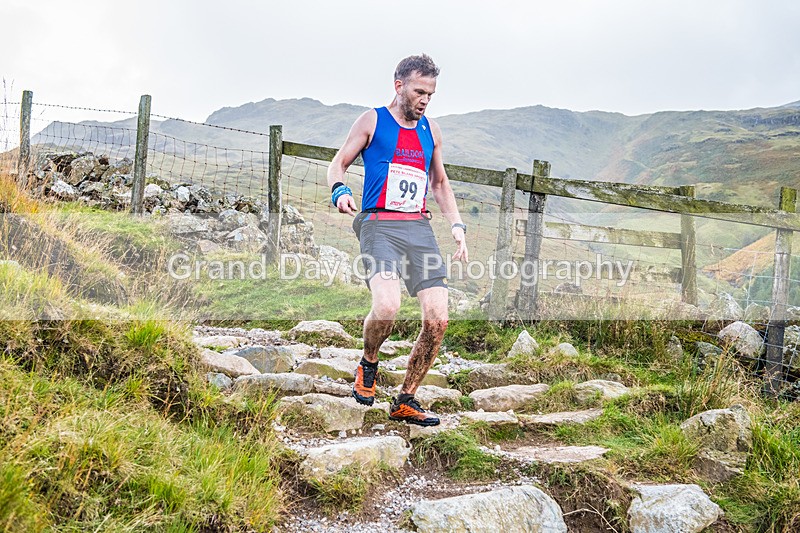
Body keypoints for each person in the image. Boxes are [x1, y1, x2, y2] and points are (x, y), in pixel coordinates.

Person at [327, 54, 468, 427]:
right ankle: (369, 363)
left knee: (438, 319)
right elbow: (337, 163)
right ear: (399, 85)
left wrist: (456, 226)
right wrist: (339, 190)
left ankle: (406, 398)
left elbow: (439, 183)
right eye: (419, 91)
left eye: (431, 94)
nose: (424, 99)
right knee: (387, 306)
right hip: (378, 225)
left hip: (418, 228)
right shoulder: (372, 120)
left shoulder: (431, 131)